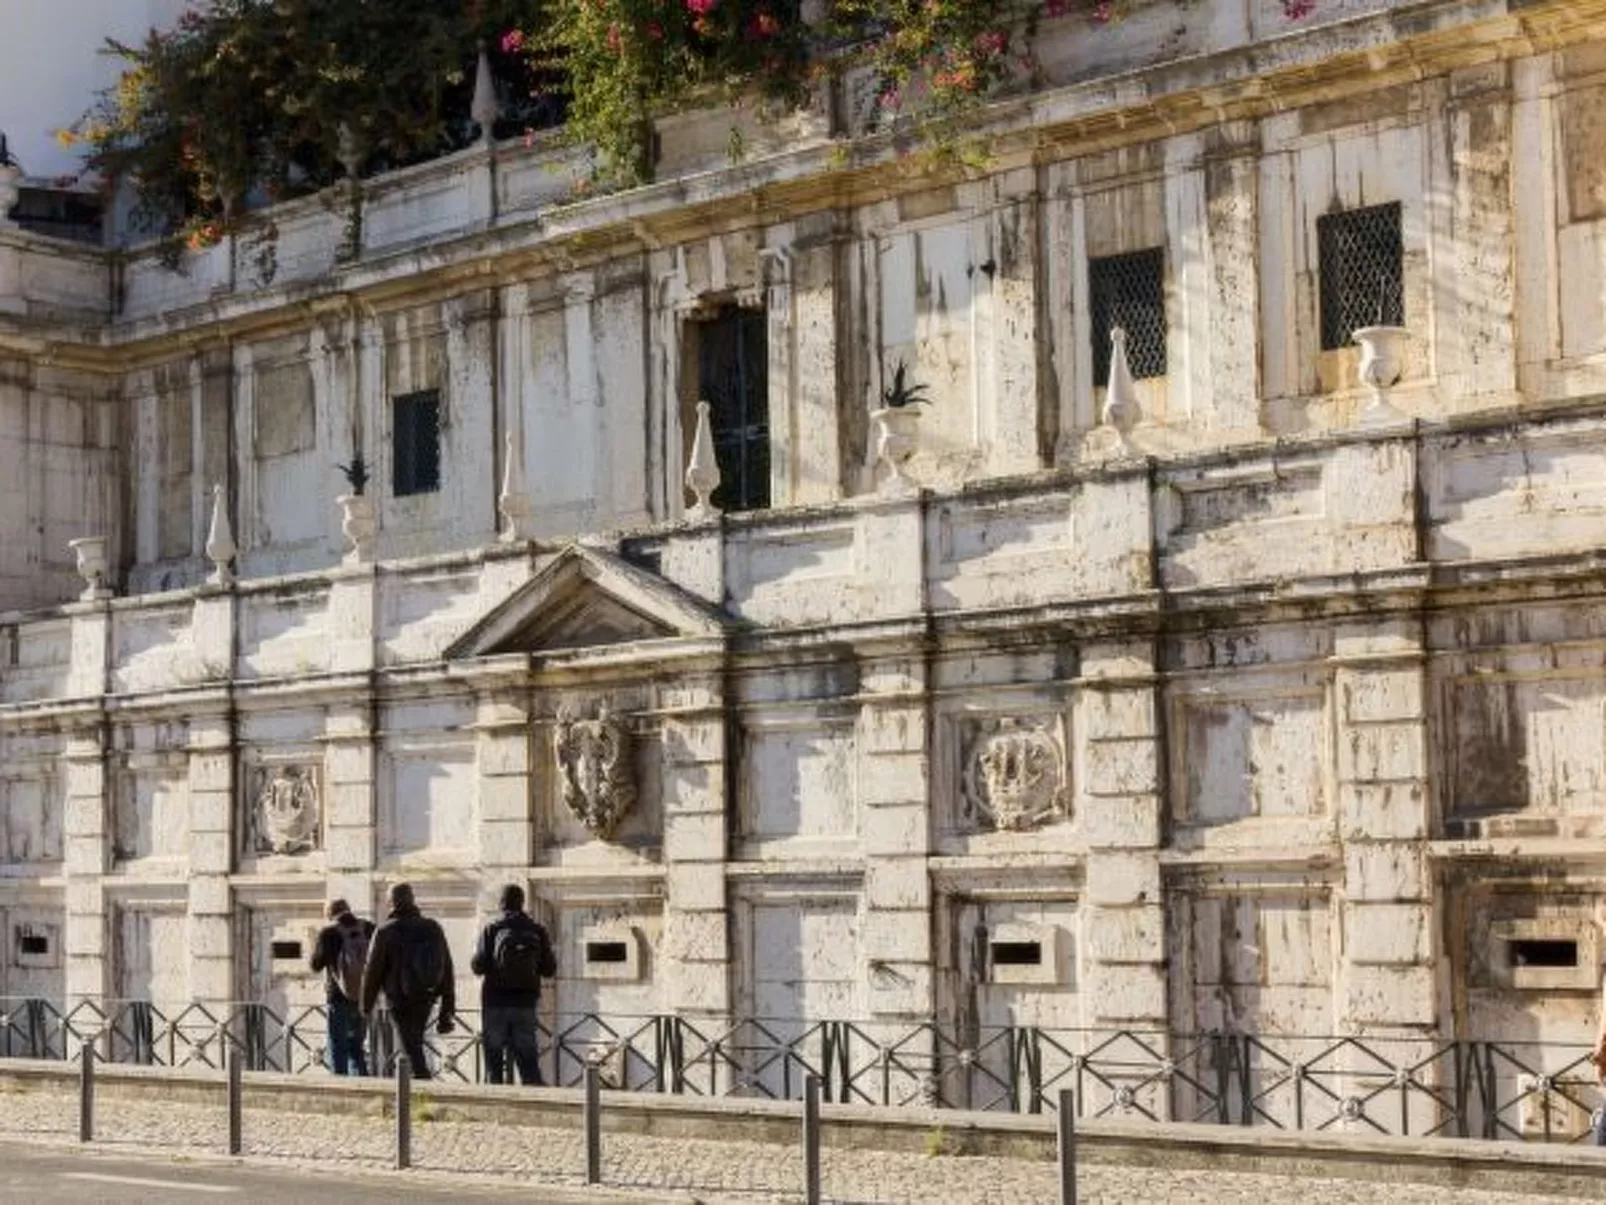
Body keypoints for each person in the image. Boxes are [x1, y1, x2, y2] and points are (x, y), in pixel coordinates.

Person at [360, 882, 455, 1080]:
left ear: (391, 902)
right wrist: (447, 1008)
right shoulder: (432, 927)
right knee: (414, 1041)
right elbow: (447, 967)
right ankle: (415, 1083)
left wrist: (365, 1005)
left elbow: (372, 971)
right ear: (412, 900)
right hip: (426, 995)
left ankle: (421, 1082)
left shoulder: (385, 931)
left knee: (410, 1044)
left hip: (399, 998)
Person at [470, 883, 557, 1086]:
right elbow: (549, 969)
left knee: (493, 1058)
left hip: (495, 1001)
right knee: (527, 1057)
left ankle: (496, 1095)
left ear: (502, 903)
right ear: (522, 902)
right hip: (525, 1002)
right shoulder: (537, 930)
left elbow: (478, 966)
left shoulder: (492, 929)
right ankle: (533, 1096)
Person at [308, 898, 374, 1076]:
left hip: (338, 997)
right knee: (356, 1046)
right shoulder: (368, 928)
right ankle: (362, 1085)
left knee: (338, 1045)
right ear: (348, 909)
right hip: (364, 997)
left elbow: (315, 965)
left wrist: (315, 944)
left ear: (330, 914)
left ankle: (340, 1086)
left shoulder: (329, 933)